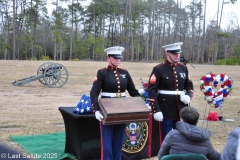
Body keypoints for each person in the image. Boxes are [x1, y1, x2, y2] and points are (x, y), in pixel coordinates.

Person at [90, 46, 140, 160]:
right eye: (115, 57)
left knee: (119, 141)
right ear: (108, 58)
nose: (118, 60)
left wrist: (142, 103)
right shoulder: (102, 73)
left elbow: (133, 91)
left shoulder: (124, 73)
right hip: (107, 110)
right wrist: (96, 110)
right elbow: (94, 93)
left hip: (122, 110)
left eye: (119, 58)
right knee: (107, 144)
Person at [148, 42, 194, 143]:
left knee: (182, 139)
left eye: (178, 53)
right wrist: (156, 110)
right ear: (167, 54)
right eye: (174, 53)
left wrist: (188, 96)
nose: (177, 55)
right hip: (165, 109)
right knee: (167, 139)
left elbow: (189, 86)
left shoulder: (183, 68)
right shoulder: (158, 69)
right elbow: (152, 91)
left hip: (181, 109)